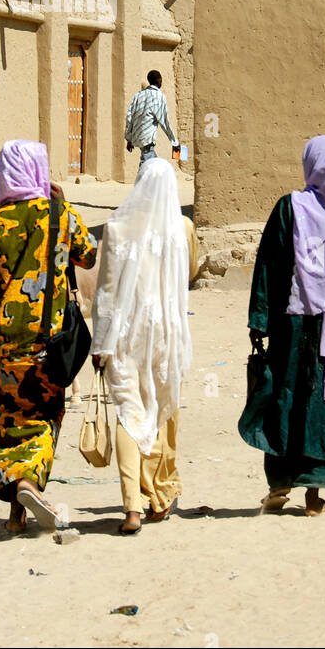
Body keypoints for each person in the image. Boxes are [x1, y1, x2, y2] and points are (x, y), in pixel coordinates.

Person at [238, 135, 325, 517]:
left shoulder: (290, 209)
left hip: (293, 327)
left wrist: (259, 320)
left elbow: (269, 265)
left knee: (286, 397)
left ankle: (280, 484)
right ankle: (315, 496)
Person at [0, 140, 97, 534]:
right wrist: (64, 206)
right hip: (49, 343)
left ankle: (16, 513)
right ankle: (28, 486)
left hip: (1, 346)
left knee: (5, 421)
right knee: (41, 419)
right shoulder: (60, 216)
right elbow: (88, 257)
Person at [91, 157, 194, 535]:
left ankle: (132, 508)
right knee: (161, 410)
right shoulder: (182, 228)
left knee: (129, 412)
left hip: (124, 334)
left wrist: (100, 345)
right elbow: (192, 273)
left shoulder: (116, 228)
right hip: (166, 333)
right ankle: (159, 494)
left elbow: (104, 292)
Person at [124, 69, 179, 166]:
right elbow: (164, 121)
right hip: (147, 139)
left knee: (149, 165)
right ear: (160, 81)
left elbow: (129, 117)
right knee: (151, 168)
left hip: (138, 137)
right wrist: (175, 142)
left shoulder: (138, 95)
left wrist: (129, 139)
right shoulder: (159, 96)